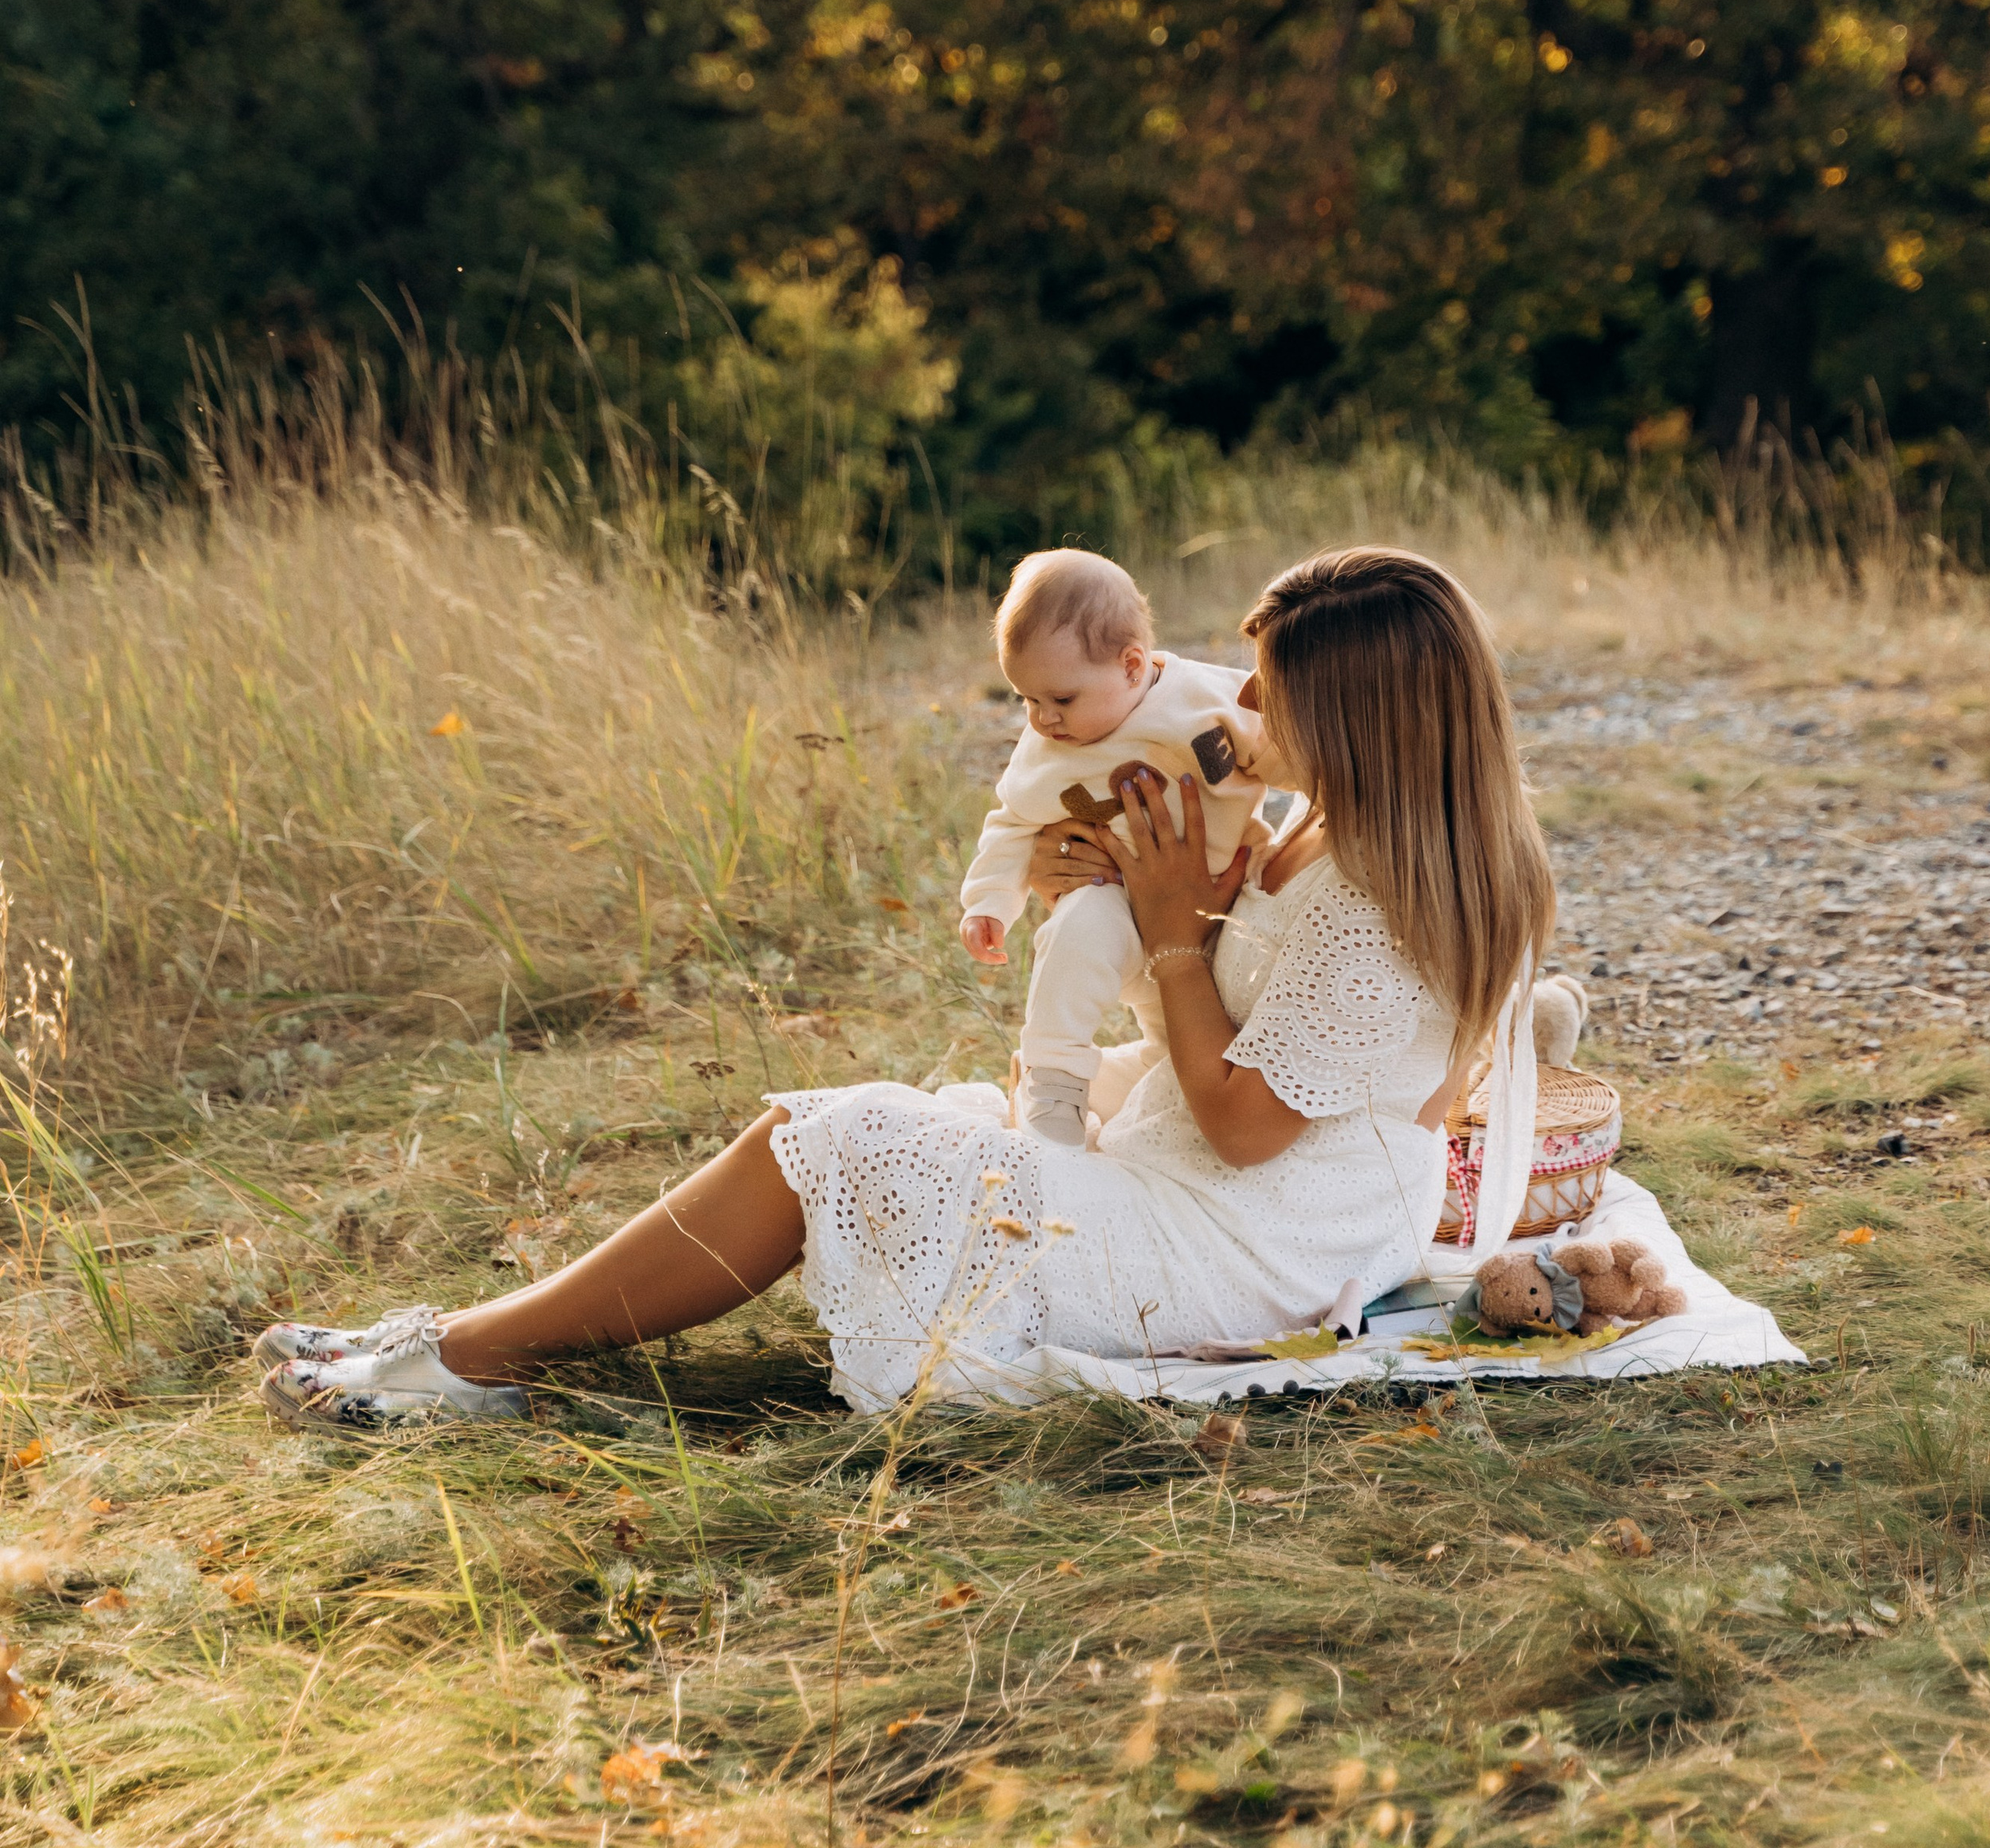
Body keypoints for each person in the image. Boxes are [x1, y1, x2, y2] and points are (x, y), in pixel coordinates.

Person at [257, 546, 1556, 1429]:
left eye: (1275, 690)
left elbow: (1244, 1124)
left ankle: (465, 1359)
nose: (1241, 701)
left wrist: (1170, 934)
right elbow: (1224, 1014)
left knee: (856, 1137)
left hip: (1251, 1241)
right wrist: (1110, 889)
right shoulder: (1312, 823)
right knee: (838, 1130)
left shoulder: (1385, 901)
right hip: (1204, 1177)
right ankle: (468, 1340)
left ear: (1362, 721)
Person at [959, 545, 1270, 1146]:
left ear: (1132, 666)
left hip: (1232, 904)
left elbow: (1280, 748)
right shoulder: (1047, 751)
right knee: (1075, 931)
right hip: (1121, 912)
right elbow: (1012, 821)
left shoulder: (1206, 699)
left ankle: (1148, 1096)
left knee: (1180, 1054)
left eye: (1061, 699)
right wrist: (988, 903)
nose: (1043, 719)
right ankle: (1053, 1082)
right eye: (1027, 699)